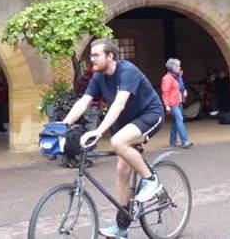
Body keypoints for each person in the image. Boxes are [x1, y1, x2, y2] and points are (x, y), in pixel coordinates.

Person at [62, 39, 165, 239]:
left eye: (96, 55)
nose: (92, 59)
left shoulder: (128, 71)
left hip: (149, 115)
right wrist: (62, 125)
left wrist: (98, 131)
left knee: (117, 141)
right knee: (121, 170)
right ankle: (121, 228)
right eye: (91, 55)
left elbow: (118, 104)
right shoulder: (99, 77)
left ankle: (152, 180)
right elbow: (83, 102)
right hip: (124, 122)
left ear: (110, 56)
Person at [161, 58, 193, 149]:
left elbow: (181, 87)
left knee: (175, 122)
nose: (179, 67)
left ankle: (173, 142)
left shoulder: (178, 76)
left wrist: (184, 91)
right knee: (179, 120)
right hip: (173, 103)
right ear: (173, 67)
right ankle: (184, 141)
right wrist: (167, 105)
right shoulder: (167, 78)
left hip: (179, 101)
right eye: (178, 66)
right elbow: (165, 92)